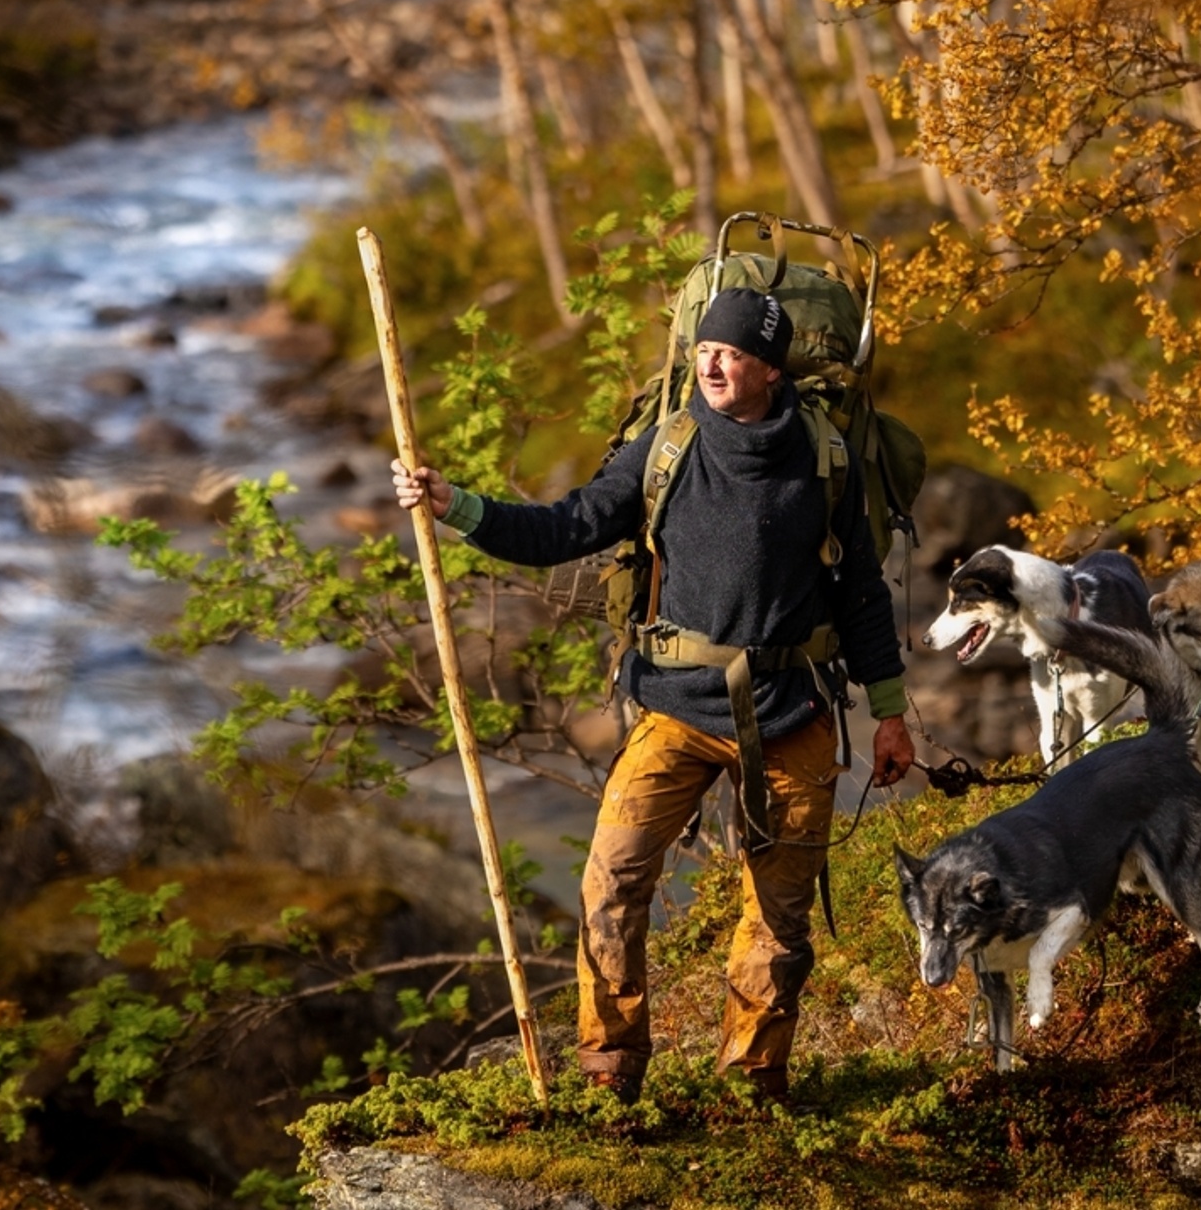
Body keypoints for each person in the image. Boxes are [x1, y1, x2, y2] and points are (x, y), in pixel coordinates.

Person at [392, 286, 914, 1104]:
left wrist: (889, 713)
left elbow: (860, 594)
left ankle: (753, 1081)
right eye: (704, 348)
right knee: (611, 881)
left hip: (793, 712)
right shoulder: (665, 447)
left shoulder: (825, 459)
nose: (711, 362)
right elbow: (567, 527)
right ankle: (610, 1072)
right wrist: (457, 504)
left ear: (769, 371)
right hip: (674, 707)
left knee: (778, 919)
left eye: (731, 352)